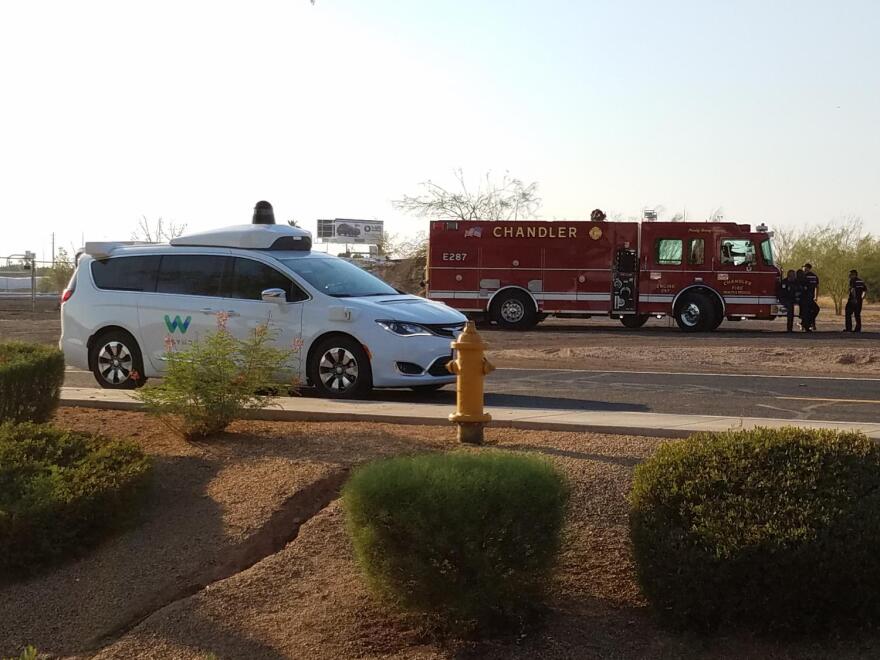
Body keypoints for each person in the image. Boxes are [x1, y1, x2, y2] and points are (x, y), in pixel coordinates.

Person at [802, 263, 820, 331]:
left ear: (809, 268)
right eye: (804, 267)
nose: (804, 269)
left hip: (809, 298)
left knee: (815, 309)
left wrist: (816, 296)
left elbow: (817, 287)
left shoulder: (813, 276)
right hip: (803, 298)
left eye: (805, 268)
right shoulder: (801, 276)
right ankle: (807, 324)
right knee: (809, 311)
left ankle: (807, 324)